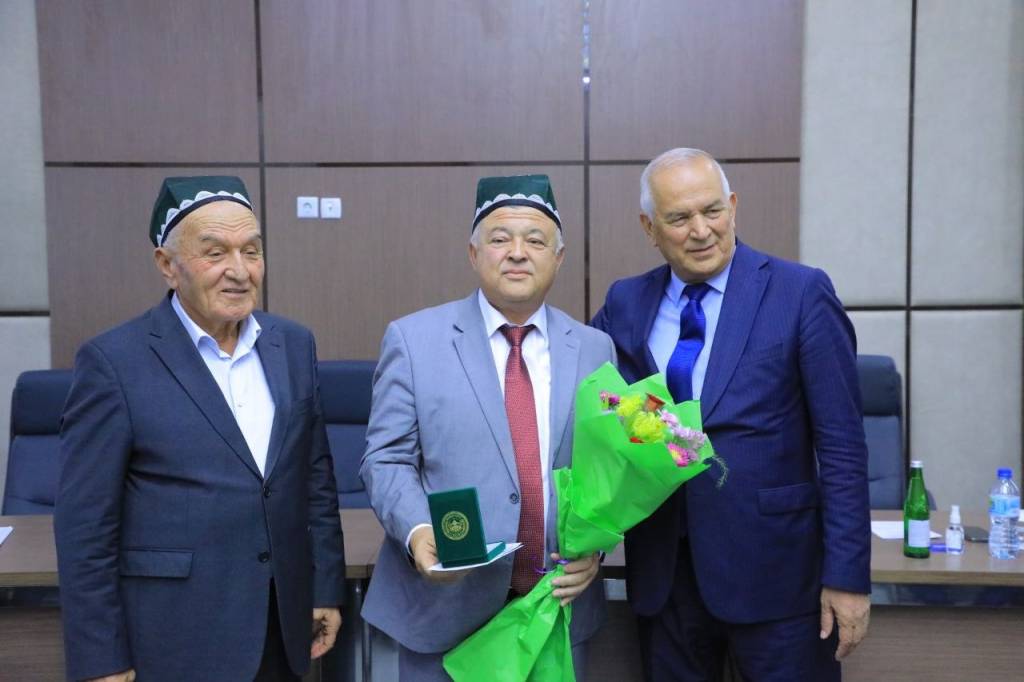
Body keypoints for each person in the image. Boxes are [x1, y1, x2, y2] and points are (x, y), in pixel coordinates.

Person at [591, 149, 871, 681]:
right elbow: (595, 412)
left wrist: (848, 576)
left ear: (734, 206)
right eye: (679, 218)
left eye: (712, 211)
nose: (701, 231)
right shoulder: (625, 303)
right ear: (650, 228)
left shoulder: (800, 292)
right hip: (666, 579)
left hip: (778, 577)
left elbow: (842, 446)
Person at [54, 176, 347, 682]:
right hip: (174, 636)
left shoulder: (293, 344)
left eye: (251, 251)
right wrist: (101, 657)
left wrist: (323, 587)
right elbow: (86, 526)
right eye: (215, 253)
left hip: (282, 627)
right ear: (167, 265)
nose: (239, 270)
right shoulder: (114, 362)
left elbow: (314, 479)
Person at [360, 175, 617, 681]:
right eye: (500, 239)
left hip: (555, 608)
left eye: (535, 241)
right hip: (446, 609)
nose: (517, 253)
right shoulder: (414, 340)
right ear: (474, 254)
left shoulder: (594, 348)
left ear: (559, 258)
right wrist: (418, 529)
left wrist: (596, 549)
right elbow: (385, 459)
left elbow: (607, 470)